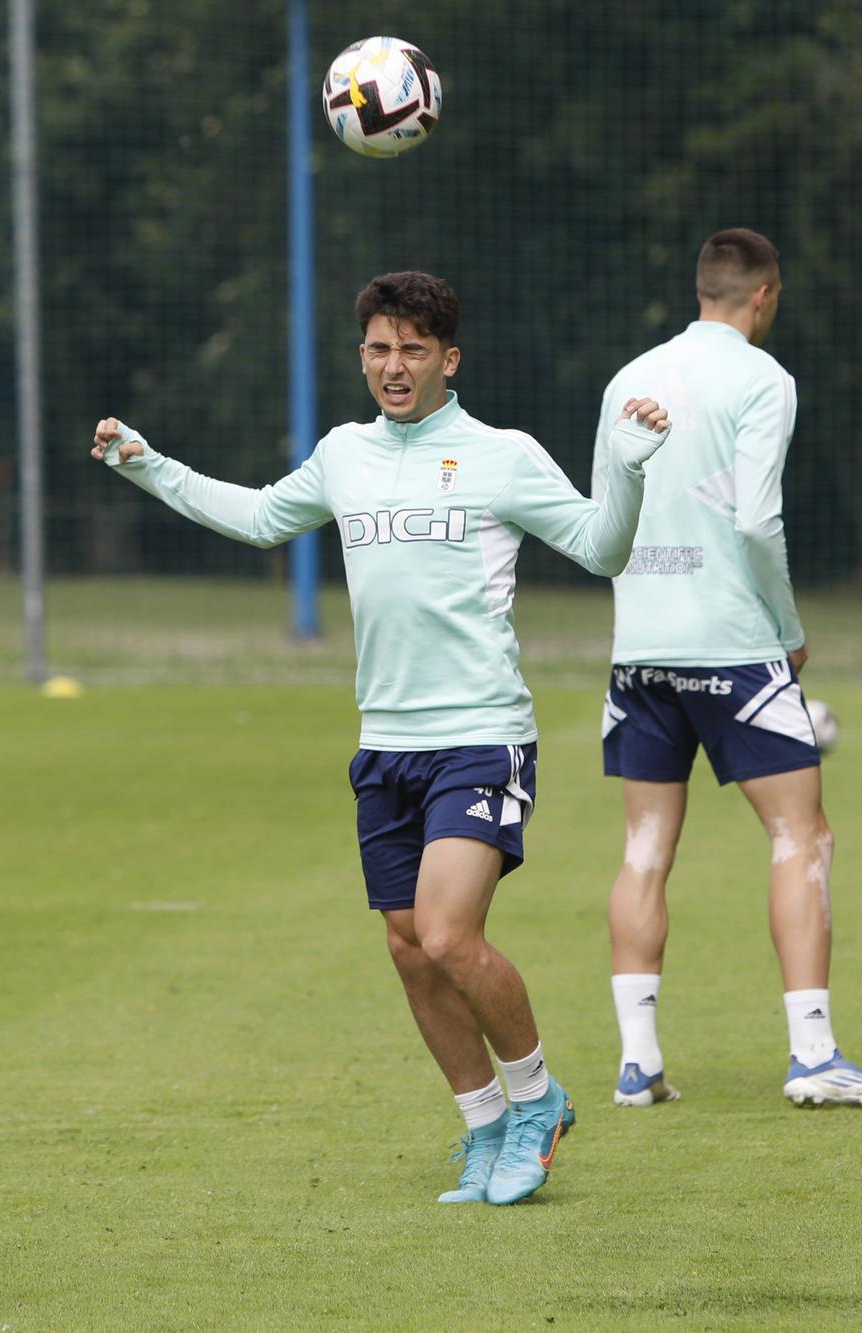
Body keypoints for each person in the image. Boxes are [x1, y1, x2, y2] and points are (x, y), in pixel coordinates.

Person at [90, 271, 671, 1204]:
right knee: (407, 945)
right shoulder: (345, 454)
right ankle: (484, 1126)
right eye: (377, 349)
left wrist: (630, 467)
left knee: (448, 931)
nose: (392, 368)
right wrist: (149, 463)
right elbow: (257, 518)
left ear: (450, 359)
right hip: (385, 738)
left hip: (482, 733)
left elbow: (602, 548)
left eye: (411, 350)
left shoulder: (502, 453)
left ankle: (537, 1098)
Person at [592, 229, 862, 1109]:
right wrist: (787, 626)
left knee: (644, 848)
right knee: (800, 836)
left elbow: (604, 521)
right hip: (734, 644)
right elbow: (754, 522)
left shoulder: (627, 378)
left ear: (701, 287)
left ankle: (638, 1064)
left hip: (640, 650)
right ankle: (813, 1056)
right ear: (765, 296)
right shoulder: (763, 380)